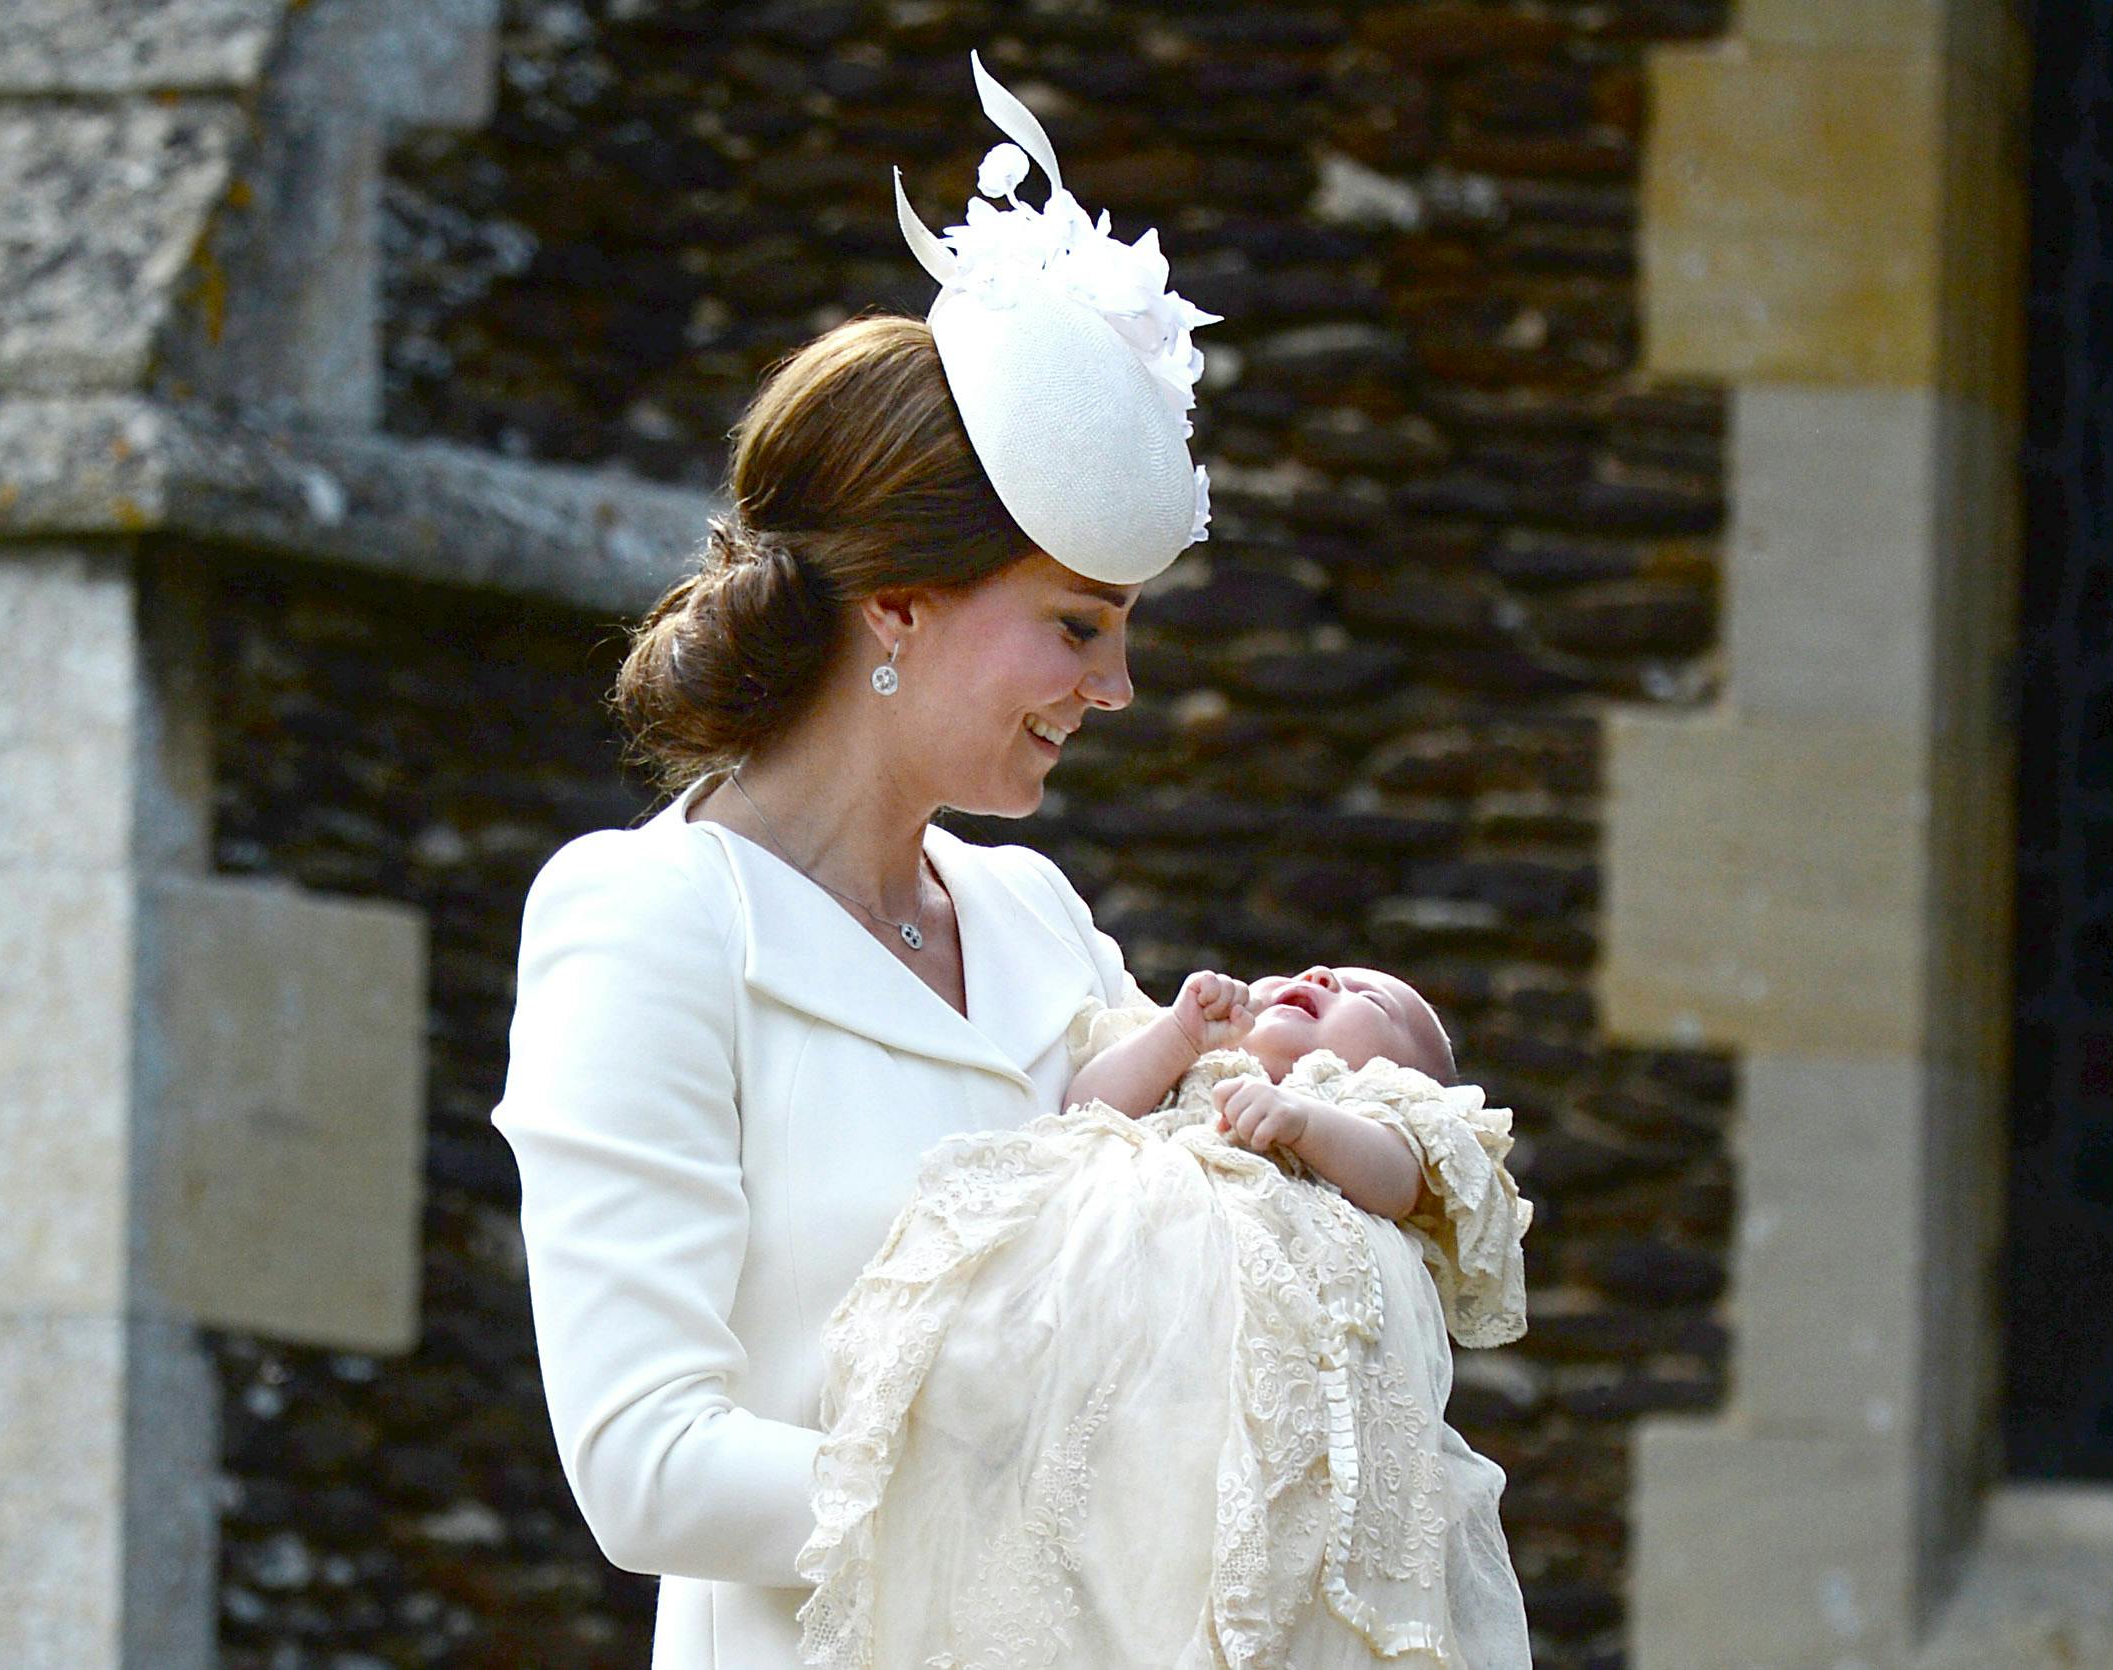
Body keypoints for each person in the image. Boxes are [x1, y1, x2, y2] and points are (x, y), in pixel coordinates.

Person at [491, 51, 1220, 1667]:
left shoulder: (1038, 919)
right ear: (898, 607)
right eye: (1076, 627)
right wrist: (1036, 1509)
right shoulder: (647, 920)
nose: (1113, 689)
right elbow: (646, 1466)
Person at [797, 965, 1534, 1668]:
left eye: (1372, 1000)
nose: (1319, 980)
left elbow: (1396, 1181)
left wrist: (1305, 1123)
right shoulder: (1199, 1071)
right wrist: (1176, 1036)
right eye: (1306, 972)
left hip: (1254, 1371)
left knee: (1236, 1541)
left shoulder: (1368, 1108)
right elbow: (1083, 1104)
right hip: (1115, 1330)